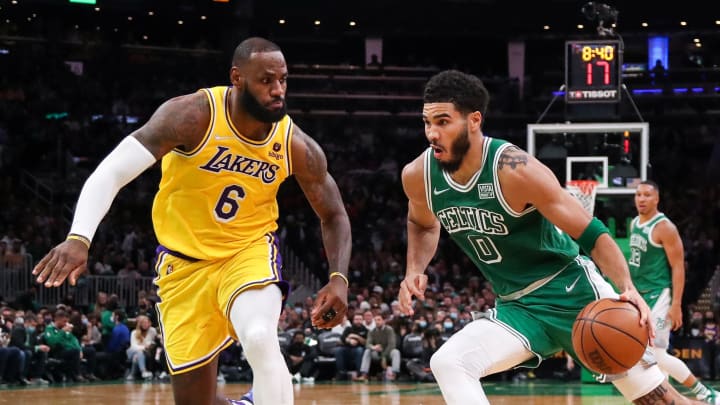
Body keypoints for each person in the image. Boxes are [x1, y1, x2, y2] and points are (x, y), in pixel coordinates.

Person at [32, 37, 351, 405]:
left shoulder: (294, 144)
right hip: (183, 267)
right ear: (237, 78)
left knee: (261, 337)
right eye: (266, 80)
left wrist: (338, 278)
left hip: (245, 254)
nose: (278, 90)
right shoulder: (193, 116)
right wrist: (79, 237)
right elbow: (112, 171)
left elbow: (334, 213)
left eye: (283, 79)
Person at [397, 69, 716, 404]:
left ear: (474, 120)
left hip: (573, 295)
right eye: (427, 122)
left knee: (663, 403)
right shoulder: (419, 176)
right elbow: (421, 224)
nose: (432, 132)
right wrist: (414, 269)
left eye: (443, 122)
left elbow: (593, 234)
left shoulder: (515, 170)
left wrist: (627, 287)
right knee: (449, 362)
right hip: (516, 307)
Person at [630, 181, 717, 401]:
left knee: (657, 353)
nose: (641, 199)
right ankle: (667, 398)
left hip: (659, 295)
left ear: (656, 199)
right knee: (652, 355)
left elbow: (678, 266)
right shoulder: (634, 223)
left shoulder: (664, 227)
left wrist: (676, 304)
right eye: (638, 194)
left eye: (647, 195)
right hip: (641, 297)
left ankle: (705, 393)